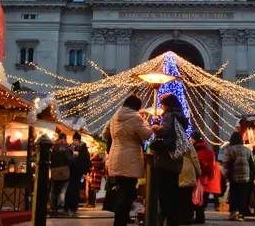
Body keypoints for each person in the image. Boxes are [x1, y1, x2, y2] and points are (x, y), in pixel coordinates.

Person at [102, 95, 153, 226]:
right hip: (129, 159)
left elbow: (104, 134)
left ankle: (121, 219)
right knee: (129, 192)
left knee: (123, 191)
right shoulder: (136, 117)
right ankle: (119, 220)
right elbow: (146, 134)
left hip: (115, 157)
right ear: (137, 106)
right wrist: (148, 123)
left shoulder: (115, 116)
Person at [151, 93, 189, 226]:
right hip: (175, 159)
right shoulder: (180, 116)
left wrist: (155, 125)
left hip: (165, 160)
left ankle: (164, 216)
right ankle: (174, 219)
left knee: (164, 191)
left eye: (162, 104)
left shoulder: (168, 115)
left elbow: (165, 130)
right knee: (173, 190)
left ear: (166, 105)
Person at [222, 132, 252, 222]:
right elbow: (251, 163)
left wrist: (226, 175)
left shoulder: (229, 149)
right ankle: (242, 214)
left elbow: (227, 163)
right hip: (245, 176)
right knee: (243, 195)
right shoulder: (247, 150)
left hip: (234, 176)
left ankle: (233, 213)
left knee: (234, 194)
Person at [178, 133, 202, 225]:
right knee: (188, 197)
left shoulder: (175, 144)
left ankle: (180, 217)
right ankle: (187, 218)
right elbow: (195, 158)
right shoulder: (188, 144)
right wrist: (198, 172)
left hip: (178, 171)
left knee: (180, 197)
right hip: (188, 171)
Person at [193, 132, 216, 223]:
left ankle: (199, 218)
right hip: (206, 178)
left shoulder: (196, 150)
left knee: (197, 197)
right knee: (203, 198)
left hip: (198, 177)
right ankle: (201, 217)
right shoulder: (209, 151)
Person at [66, 133, 91, 215]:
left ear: (78, 140)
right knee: (71, 189)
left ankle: (72, 207)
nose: (73, 142)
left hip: (78, 172)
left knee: (74, 189)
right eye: (73, 140)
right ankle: (69, 207)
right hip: (72, 172)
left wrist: (85, 172)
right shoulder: (72, 147)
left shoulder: (83, 149)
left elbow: (86, 161)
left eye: (75, 140)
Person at [49, 131, 74, 216]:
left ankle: (53, 208)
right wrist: (72, 153)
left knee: (53, 191)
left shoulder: (53, 147)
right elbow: (69, 159)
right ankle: (61, 208)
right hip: (63, 171)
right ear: (64, 139)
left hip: (54, 171)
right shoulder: (65, 148)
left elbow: (49, 158)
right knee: (62, 191)